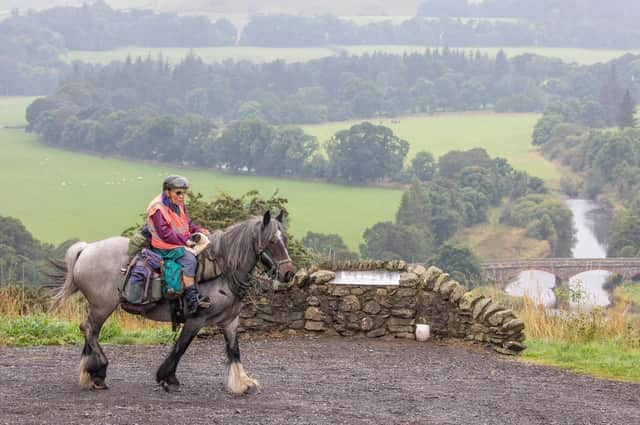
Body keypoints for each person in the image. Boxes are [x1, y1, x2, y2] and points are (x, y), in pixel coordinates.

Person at [146, 175, 210, 314]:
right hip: (164, 246)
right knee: (189, 260)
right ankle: (192, 301)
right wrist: (187, 242)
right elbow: (165, 234)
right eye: (178, 193)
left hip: (177, 242)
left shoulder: (177, 204)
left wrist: (199, 230)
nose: (181, 196)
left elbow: (187, 223)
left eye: (183, 193)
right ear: (167, 192)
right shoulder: (157, 208)